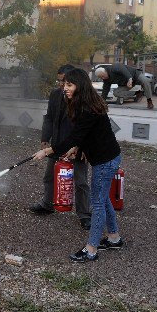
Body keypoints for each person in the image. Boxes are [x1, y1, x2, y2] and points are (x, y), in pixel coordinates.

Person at [32, 68, 123, 263]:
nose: (65, 88)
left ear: (79, 86)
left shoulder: (88, 108)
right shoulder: (84, 104)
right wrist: (77, 147)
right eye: (64, 84)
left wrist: (47, 151)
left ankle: (91, 249)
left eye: (69, 85)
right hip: (106, 158)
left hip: (105, 161)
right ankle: (114, 238)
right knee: (103, 198)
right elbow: (84, 135)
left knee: (97, 202)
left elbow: (74, 136)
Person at [30, 64, 92, 230]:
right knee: (49, 176)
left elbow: (86, 128)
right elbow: (49, 118)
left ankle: (84, 214)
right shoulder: (55, 95)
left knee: (80, 182)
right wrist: (45, 137)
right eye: (59, 81)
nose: (61, 85)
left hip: (77, 147)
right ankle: (47, 204)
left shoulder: (83, 100)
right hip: (57, 144)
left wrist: (83, 146)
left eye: (64, 82)